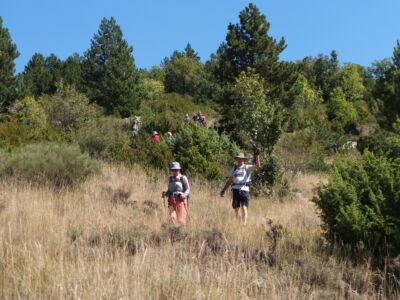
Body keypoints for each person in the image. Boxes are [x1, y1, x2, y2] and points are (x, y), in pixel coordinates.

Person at [220, 149, 261, 225]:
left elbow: (257, 166)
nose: (240, 160)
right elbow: (229, 181)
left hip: (244, 190)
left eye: (241, 159)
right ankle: (239, 222)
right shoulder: (234, 169)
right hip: (235, 190)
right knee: (236, 208)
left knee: (244, 208)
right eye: (238, 158)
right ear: (237, 159)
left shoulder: (247, 167)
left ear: (243, 160)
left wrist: (257, 156)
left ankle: (244, 225)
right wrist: (224, 190)